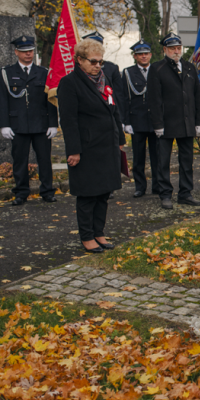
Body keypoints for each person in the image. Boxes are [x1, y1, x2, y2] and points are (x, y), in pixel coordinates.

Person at [58, 38, 126, 253]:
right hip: (86, 148)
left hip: (107, 146)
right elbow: (68, 121)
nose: (97, 66)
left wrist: (120, 140)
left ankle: (99, 233)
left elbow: (114, 111)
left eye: (100, 62)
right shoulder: (69, 83)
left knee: (103, 193)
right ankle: (87, 236)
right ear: (79, 60)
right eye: (93, 61)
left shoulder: (104, 80)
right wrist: (74, 150)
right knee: (88, 195)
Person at [0, 35, 58, 206]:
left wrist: (53, 123)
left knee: (45, 160)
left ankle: (47, 191)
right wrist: (4, 125)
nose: (28, 54)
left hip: (41, 124)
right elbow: (2, 100)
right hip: (18, 124)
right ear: (16, 52)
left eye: (30, 51)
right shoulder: (6, 73)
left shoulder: (44, 72)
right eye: (24, 52)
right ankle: (21, 192)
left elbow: (50, 100)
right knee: (20, 160)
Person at [147, 32, 200, 210]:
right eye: (172, 48)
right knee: (163, 162)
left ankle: (185, 193)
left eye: (178, 48)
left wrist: (199, 121)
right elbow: (153, 99)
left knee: (187, 161)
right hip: (166, 123)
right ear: (165, 49)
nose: (176, 51)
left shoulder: (189, 68)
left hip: (187, 122)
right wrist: (157, 124)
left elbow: (197, 96)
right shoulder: (157, 68)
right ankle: (165, 194)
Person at [84, 32, 125, 200]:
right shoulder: (79, 69)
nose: (97, 65)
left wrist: (120, 121)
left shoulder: (111, 68)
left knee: (110, 157)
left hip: (108, 121)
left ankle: (108, 187)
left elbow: (117, 96)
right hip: (89, 124)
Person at [121, 40, 161, 198]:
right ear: (134, 56)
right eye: (140, 54)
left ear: (151, 55)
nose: (143, 56)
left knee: (157, 157)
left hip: (155, 121)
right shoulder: (127, 73)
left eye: (146, 53)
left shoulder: (157, 70)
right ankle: (140, 187)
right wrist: (126, 122)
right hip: (136, 121)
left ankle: (157, 186)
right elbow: (124, 98)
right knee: (138, 158)